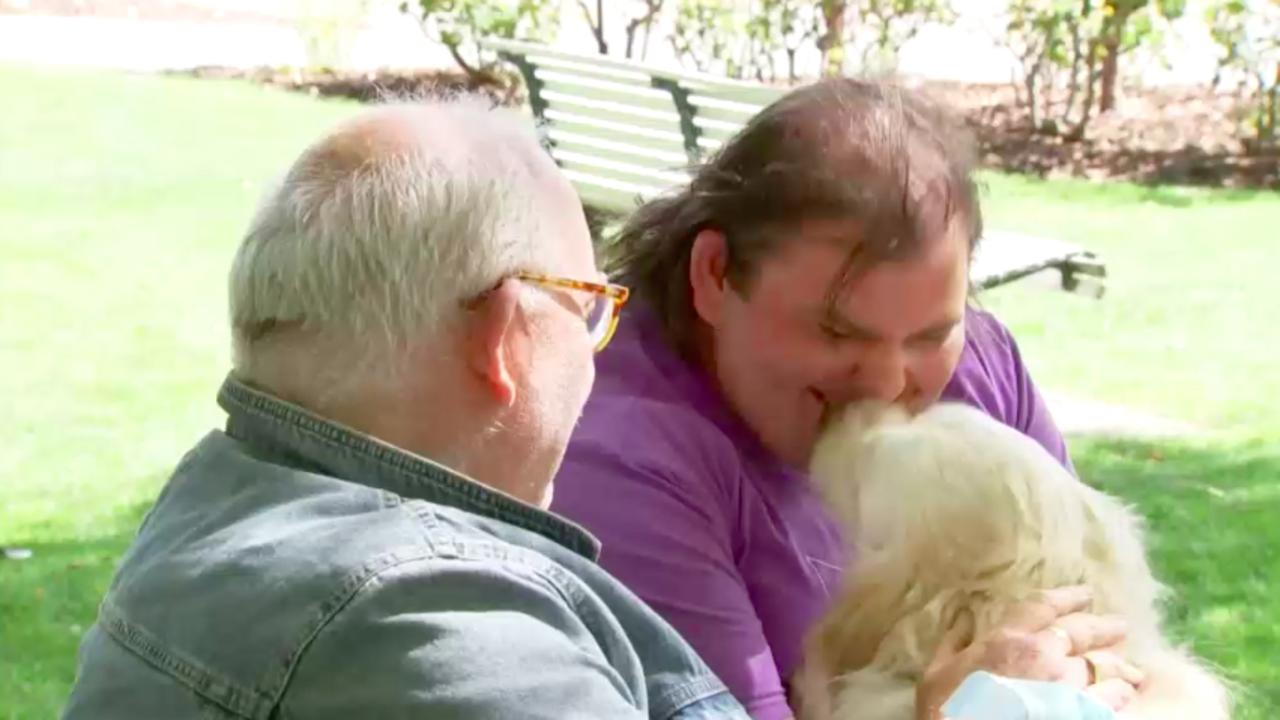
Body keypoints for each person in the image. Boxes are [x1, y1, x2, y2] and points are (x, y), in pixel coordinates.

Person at [61, 98, 750, 719]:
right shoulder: (439, 618)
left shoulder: (213, 511)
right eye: (588, 308)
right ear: (507, 336)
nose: (595, 347)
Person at [551, 79, 1137, 719]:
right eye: (837, 331)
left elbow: (1106, 655)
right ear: (714, 275)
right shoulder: (627, 461)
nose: (888, 383)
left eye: (931, 334)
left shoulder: (982, 370)